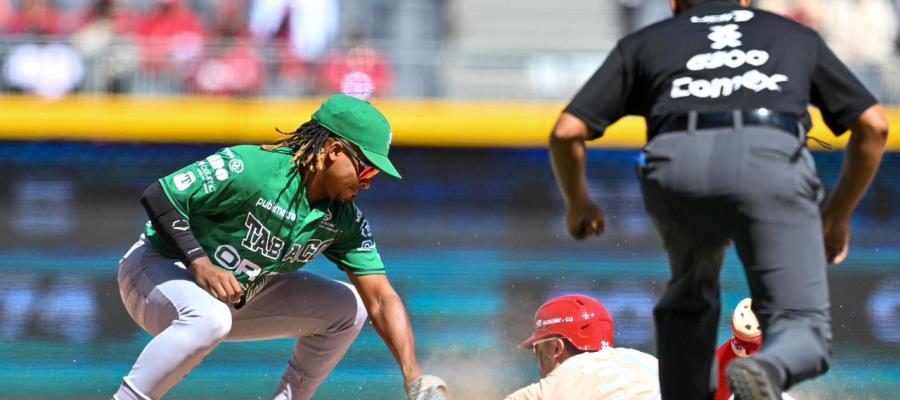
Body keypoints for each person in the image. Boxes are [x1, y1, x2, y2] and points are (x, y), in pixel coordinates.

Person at [548, 0, 889, 399]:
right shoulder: (792, 35)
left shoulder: (649, 39)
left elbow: (567, 131)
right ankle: (766, 366)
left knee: (688, 303)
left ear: (675, 3)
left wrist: (579, 202)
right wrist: (838, 216)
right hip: (771, 159)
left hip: (678, 162)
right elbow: (874, 126)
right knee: (802, 326)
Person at [114, 94, 448, 400]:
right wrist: (200, 262)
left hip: (233, 297)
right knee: (209, 317)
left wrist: (413, 377)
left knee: (352, 308)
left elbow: (381, 297)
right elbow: (160, 195)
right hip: (157, 272)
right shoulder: (254, 166)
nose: (368, 181)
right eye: (368, 167)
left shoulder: (343, 217)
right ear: (334, 151)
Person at [504, 294, 660, 400]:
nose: (537, 360)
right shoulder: (647, 362)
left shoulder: (549, 389)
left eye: (537, 350)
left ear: (557, 348)